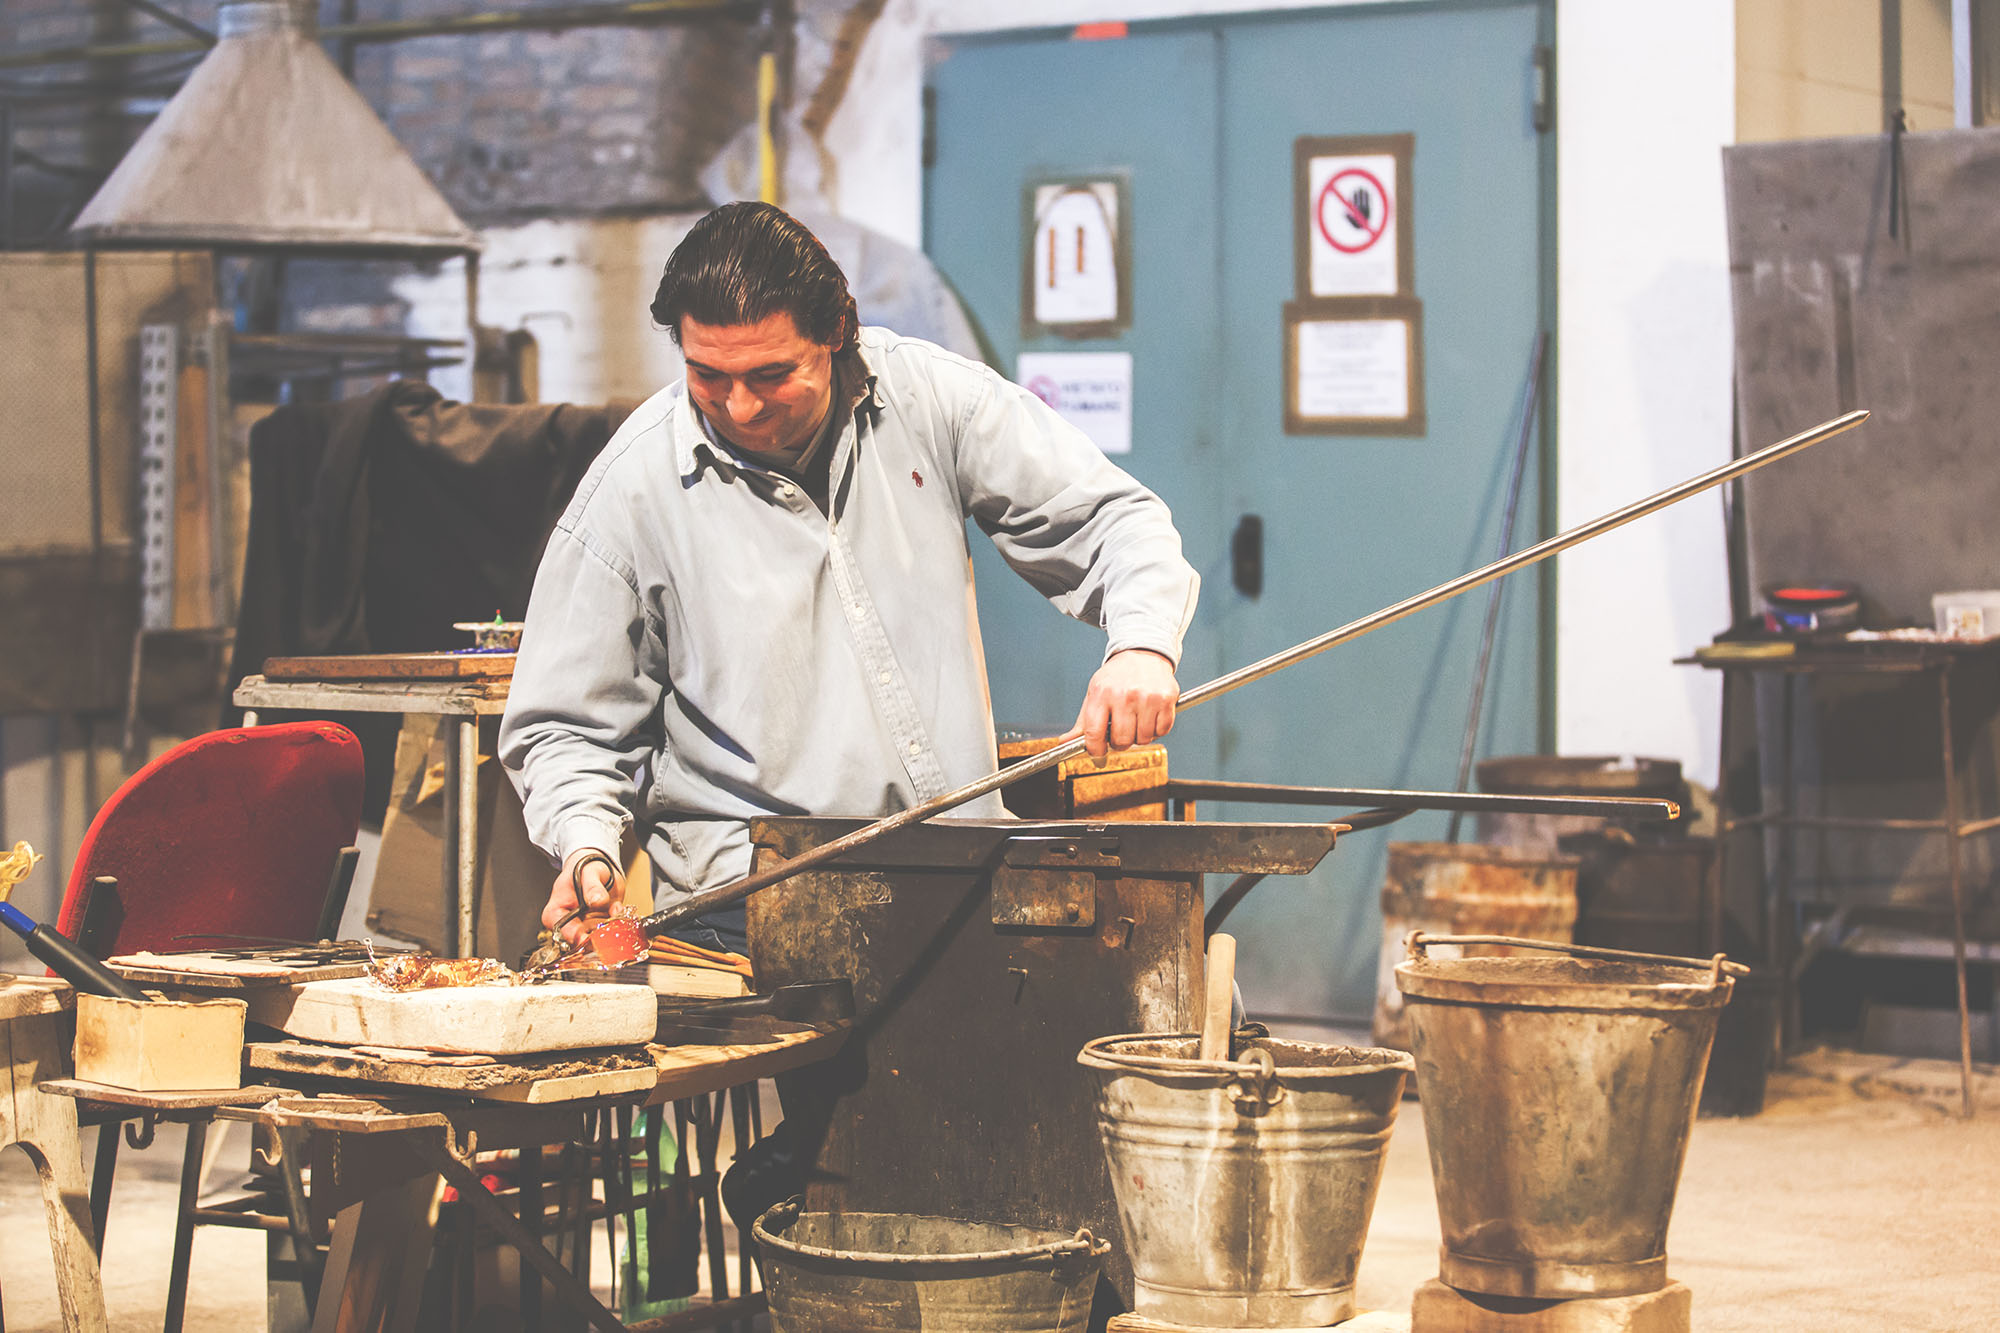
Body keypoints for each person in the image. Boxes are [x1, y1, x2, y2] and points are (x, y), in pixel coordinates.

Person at [499, 202, 1198, 953]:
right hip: (745, 904)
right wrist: (587, 845)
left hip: (951, 867)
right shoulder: (630, 492)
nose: (739, 407)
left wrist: (1141, 647)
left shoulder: (926, 399)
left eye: (771, 374)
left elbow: (1116, 522)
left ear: (835, 334)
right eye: (708, 375)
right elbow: (565, 726)